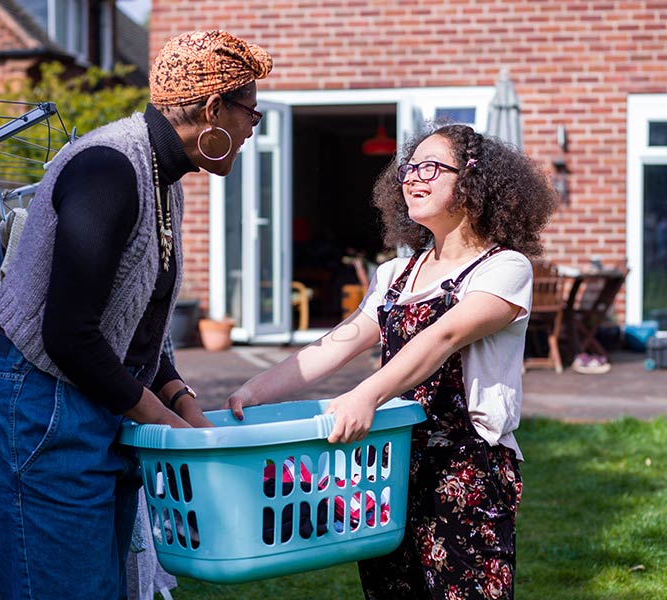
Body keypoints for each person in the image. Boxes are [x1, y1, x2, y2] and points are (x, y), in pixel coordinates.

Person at [0, 30, 272, 600]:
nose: (253, 127)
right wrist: (168, 425)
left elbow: (134, 315)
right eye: (250, 112)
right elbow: (68, 333)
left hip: (89, 397)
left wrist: (184, 403)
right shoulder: (109, 168)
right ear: (211, 110)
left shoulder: (163, 179)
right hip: (39, 403)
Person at [228, 124, 557, 600]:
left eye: (430, 167)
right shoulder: (395, 274)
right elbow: (336, 344)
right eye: (408, 168)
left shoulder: (504, 269)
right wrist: (254, 391)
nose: (411, 178)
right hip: (388, 465)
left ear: (473, 180)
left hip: (465, 468)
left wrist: (366, 395)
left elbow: (442, 337)